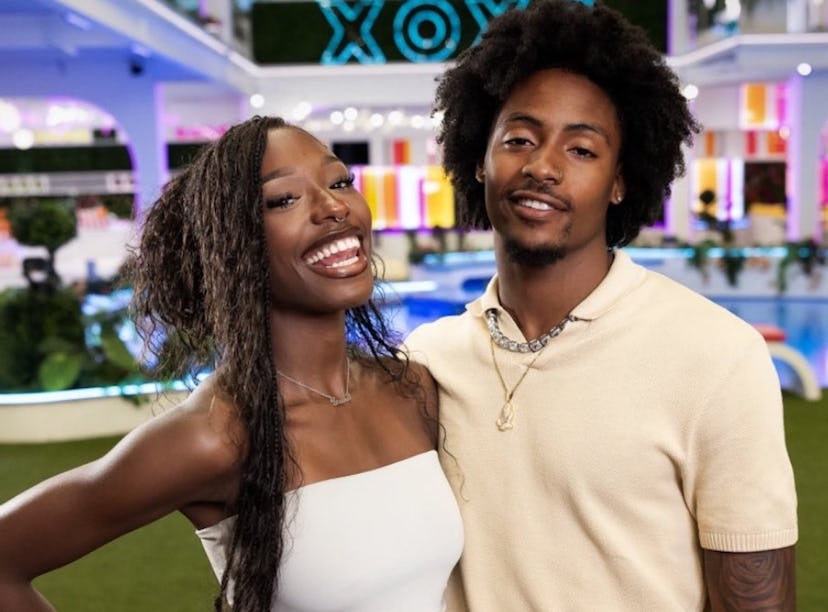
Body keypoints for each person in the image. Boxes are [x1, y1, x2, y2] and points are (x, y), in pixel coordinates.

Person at [404, 1, 798, 610]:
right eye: (519, 139)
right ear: (479, 159)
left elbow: (757, 599)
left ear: (620, 181)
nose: (542, 166)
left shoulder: (716, 356)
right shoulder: (427, 361)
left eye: (582, 150)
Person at [0, 115, 463, 611]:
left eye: (339, 182)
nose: (334, 207)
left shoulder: (411, 390)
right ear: (232, 243)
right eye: (283, 199)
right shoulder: (215, 436)